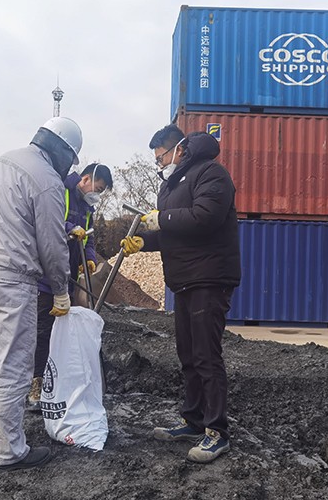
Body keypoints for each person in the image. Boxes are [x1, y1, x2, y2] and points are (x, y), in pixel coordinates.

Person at [0, 116, 83, 472]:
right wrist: (60, 289)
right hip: (10, 280)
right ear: (62, 151)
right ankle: (8, 452)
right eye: (71, 159)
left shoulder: (4, 160)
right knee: (13, 367)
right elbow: (52, 244)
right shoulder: (47, 180)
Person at [121, 124, 241, 464]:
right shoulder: (171, 185)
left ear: (179, 149)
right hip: (184, 279)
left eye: (160, 156)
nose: (159, 163)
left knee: (206, 356)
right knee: (188, 355)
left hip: (208, 277)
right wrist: (144, 241)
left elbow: (204, 218)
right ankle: (193, 420)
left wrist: (163, 218)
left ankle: (217, 431)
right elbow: (173, 232)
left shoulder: (212, 174)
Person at [27, 163, 114, 411]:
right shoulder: (60, 191)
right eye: (97, 188)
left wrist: (89, 257)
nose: (97, 194)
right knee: (43, 331)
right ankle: (36, 384)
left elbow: (89, 237)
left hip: (68, 278)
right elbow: (48, 221)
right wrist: (69, 228)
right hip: (46, 277)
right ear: (85, 178)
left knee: (63, 332)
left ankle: (58, 381)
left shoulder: (87, 207)